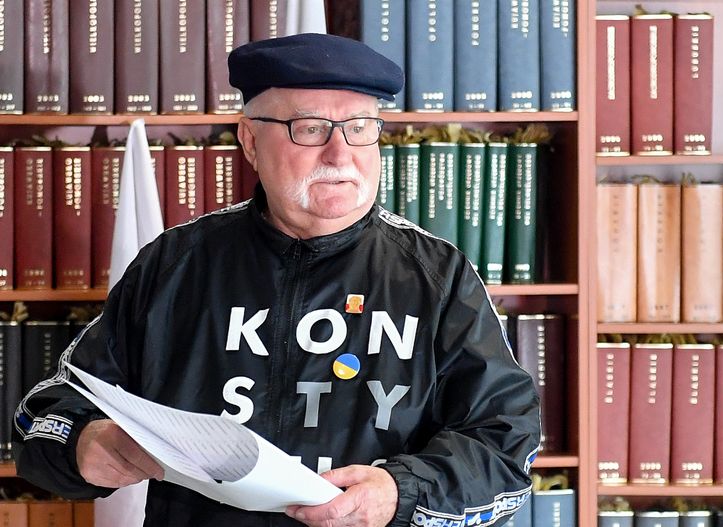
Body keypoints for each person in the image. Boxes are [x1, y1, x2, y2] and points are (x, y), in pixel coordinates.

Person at [12, 33, 541, 527]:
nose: (340, 153)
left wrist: (398, 491)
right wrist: (85, 444)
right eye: (309, 128)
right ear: (249, 139)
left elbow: (504, 446)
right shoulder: (175, 265)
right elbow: (48, 412)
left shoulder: (437, 277)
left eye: (359, 127)